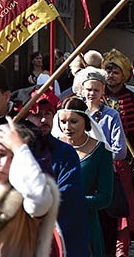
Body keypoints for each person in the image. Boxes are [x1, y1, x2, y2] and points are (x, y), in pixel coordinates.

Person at [0, 118, 60, 256]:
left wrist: (19, 148)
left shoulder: (25, 199)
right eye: (0, 154)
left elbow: (39, 199)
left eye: (13, 157)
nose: (5, 163)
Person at [24, 89, 91, 257]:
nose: (44, 120)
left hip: (61, 236)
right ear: (26, 117)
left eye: (48, 114)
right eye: (37, 115)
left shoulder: (65, 152)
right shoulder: (14, 151)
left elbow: (68, 195)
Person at [102, 49, 134, 256]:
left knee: (126, 214)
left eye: (115, 72)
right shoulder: (98, 97)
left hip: (128, 168)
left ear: (124, 75)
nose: (111, 76)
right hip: (102, 164)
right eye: (108, 71)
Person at [56, 97, 114, 256]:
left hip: (85, 224)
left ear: (85, 122)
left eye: (73, 121)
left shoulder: (101, 151)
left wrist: (76, 201)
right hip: (53, 224)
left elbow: (105, 197)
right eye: (63, 121)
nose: (67, 127)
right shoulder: (52, 148)